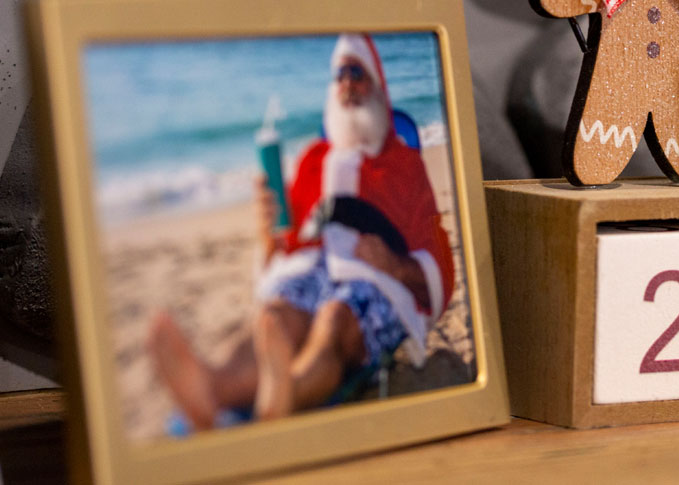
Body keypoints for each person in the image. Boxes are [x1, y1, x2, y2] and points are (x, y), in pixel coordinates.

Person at [148, 34, 454, 428]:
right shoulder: (313, 159)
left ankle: (286, 391)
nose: (347, 82)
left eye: (357, 72)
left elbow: (440, 266)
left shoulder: (405, 165)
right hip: (311, 269)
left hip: (372, 277)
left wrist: (395, 264)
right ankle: (212, 387)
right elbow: (285, 246)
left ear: (378, 84)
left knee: (334, 319)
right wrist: (266, 232)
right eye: (339, 74)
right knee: (276, 316)